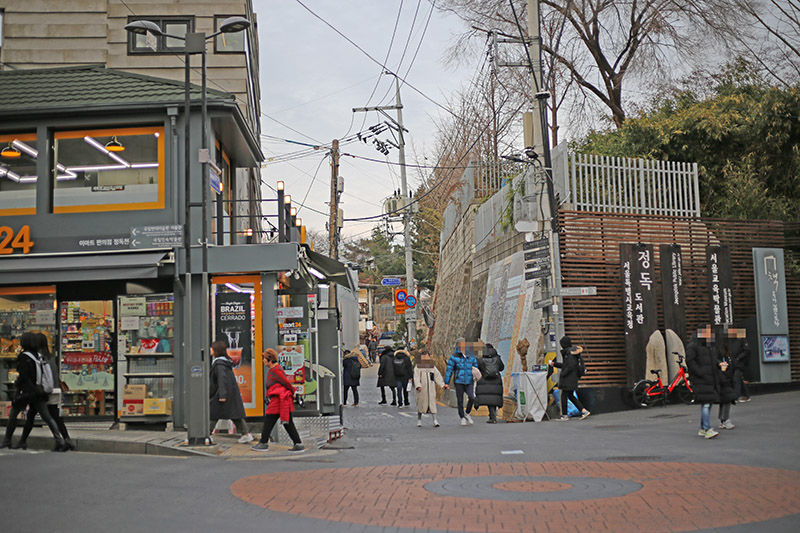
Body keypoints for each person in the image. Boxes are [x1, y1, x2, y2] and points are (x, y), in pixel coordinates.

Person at [1, 332, 66, 451]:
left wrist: (18, 387)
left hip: (27, 392)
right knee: (47, 417)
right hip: (38, 391)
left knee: (13, 414)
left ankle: (7, 440)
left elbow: (24, 376)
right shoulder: (38, 356)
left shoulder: (24, 356)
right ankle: (59, 439)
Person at [15, 333, 75, 451]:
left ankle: (62, 441)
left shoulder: (39, 357)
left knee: (37, 417)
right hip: (54, 389)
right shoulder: (50, 356)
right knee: (48, 416)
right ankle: (66, 440)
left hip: (44, 391)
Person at [252, 348, 304, 452]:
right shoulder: (275, 369)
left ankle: (263, 443)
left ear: (270, 360)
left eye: (264, 359)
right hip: (281, 399)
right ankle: (298, 444)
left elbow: (286, 382)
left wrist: (293, 392)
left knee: (269, 420)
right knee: (287, 422)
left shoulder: (275, 370)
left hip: (279, 399)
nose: (263, 361)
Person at [210, 340, 254, 444]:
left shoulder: (219, 364)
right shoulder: (225, 363)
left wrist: (222, 394)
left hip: (221, 394)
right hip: (229, 393)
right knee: (235, 414)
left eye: (212, 348)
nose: (210, 350)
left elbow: (222, 379)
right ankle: (246, 434)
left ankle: (206, 435)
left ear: (216, 350)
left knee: (213, 414)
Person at [686, 325, 720, 439]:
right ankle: (707, 429)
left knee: (708, 403)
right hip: (701, 379)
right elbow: (690, 361)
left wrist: (719, 365)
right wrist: (700, 372)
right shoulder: (693, 345)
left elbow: (714, 359)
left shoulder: (709, 346)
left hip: (710, 378)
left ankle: (702, 428)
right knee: (706, 404)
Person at [549, 336, 590, 421]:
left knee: (564, 395)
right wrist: (555, 364)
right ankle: (584, 411)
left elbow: (570, 366)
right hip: (572, 378)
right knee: (570, 396)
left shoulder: (569, 353)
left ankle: (564, 415)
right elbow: (566, 365)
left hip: (568, 378)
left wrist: (563, 374)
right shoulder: (571, 352)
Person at [443, 337, 479, 426]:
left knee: (472, 397)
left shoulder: (471, 356)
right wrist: (446, 382)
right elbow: (449, 370)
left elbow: (476, 367)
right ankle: (462, 417)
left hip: (469, 381)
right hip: (459, 381)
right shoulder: (454, 357)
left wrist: (476, 374)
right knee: (460, 400)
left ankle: (467, 412)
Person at [413, 349, 444, 427]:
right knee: (421, 404)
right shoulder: (418, 366)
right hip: (422, 389)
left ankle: (435, 420)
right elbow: (416, 377)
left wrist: (442, 385)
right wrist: (418, 386)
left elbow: (437, 376)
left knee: (432, 404)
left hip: (431, 388)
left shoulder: (432, 366)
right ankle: (419, 420)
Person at [476, 343, 505, 423]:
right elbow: (502, 368)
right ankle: (493, 416)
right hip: (496, 380)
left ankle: (492, 417)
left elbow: (477, 368)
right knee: (493, 398)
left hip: (485, 381)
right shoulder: (497, 358)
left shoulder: (481, 359)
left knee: (489, 398)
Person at [716, 328, 737, 430]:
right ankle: (725, 420)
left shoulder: (725, 351)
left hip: (726, 377)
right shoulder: (720, 352)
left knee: (724, 400)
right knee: (727, 399)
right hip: (724, 378)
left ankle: (722, 420)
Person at [731, 331, 752, 402]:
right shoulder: (736, 341)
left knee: (736, 378)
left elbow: (747, 351)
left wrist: (739, 358)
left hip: (740, 363)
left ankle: (735, 397)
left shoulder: (743, 341)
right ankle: (746, 395)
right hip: (736, 363)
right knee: (738, 379)